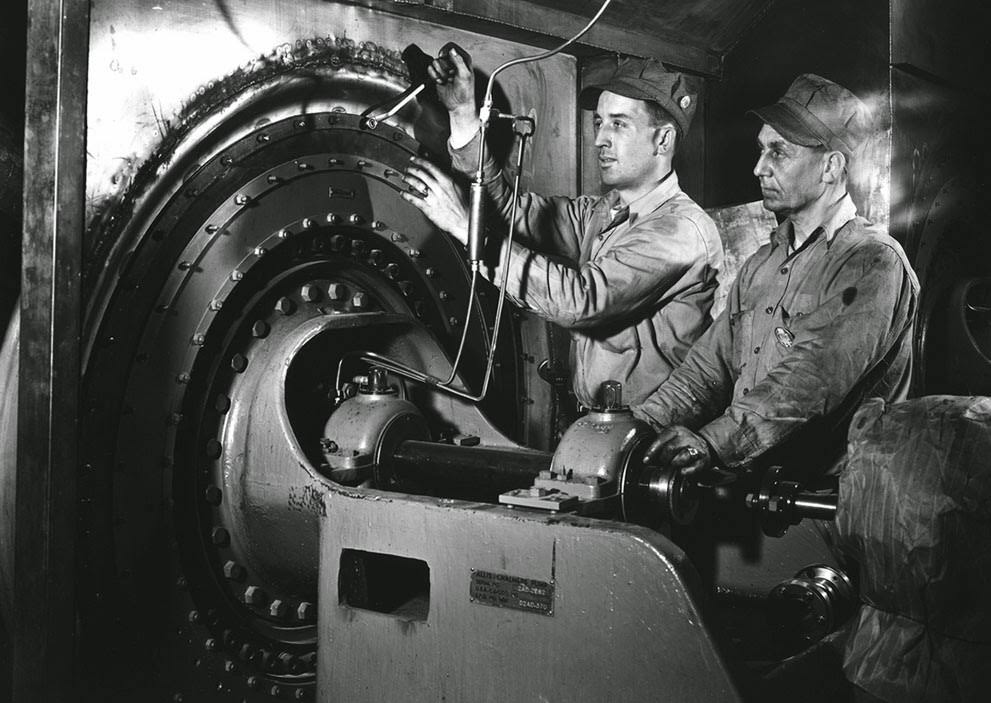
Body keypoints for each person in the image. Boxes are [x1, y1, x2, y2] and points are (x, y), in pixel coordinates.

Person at [636, 74, 919, 483]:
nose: (759, 167)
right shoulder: (761, 264)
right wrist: (638, 428)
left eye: (779, 152)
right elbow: (705, 370)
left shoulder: (872, 263)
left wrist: (713, 443)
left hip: (832, 506)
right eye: (761, 149)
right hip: (757, 491)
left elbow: (808, 381)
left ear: (830, 167)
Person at [402, 50, 723, 410]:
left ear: (662, 141)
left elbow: (582, 301)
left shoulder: (680, 229)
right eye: (598, 122)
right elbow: (509, 210)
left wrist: (465, 226)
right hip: (599, 424)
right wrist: (462, 114)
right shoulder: (602, 212)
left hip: (649, 433)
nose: (600, 138)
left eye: (618, 124)